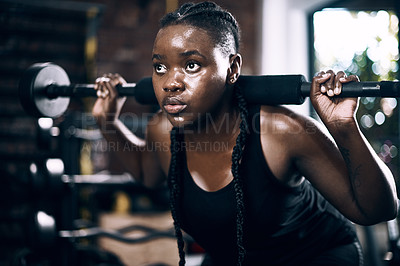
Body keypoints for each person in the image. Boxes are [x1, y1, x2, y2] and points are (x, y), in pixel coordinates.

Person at [92, 2, 398, 265]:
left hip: (315, 255)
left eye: (192, 65)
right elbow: (149, 175)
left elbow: (377, 209)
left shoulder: (281, 131)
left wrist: (344, 127)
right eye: (160, 68)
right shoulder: (162, 129)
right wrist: (108, 123)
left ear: (233, 68)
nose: (171, 83)